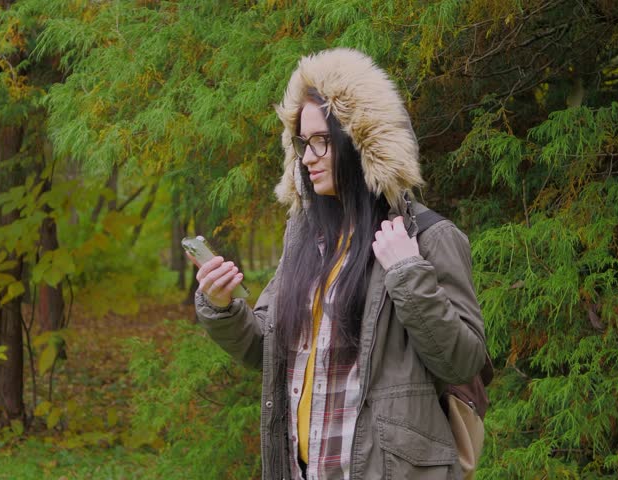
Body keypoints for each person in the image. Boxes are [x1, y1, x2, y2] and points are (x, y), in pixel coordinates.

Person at [192, 48, 487, 480]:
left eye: (320, 141)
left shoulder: (428, 239)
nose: (307, 157)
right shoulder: (306, 241)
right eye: (302, 143)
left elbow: (463, 363)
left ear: (360, 141)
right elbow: (266, 351)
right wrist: (221, 307)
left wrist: (407, 275)